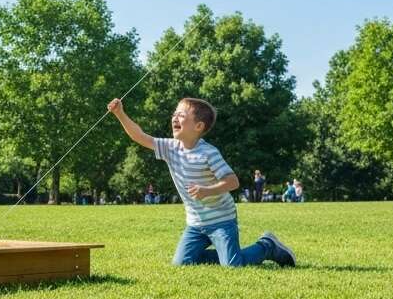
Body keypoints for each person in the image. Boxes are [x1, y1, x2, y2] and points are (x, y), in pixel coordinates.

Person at [108, 96, 295, 268]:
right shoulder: (170, 148)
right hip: (195, 224)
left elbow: (232, 181)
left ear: (198, 126)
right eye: (174, 114)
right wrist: (120, 113)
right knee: (181, 263)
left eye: (181, 115)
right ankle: (227, 254)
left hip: (222, 220)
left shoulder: (208, 153)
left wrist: (207, 190)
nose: (174, 118)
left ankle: (267, 246)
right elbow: (140, 136)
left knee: (233, 265)